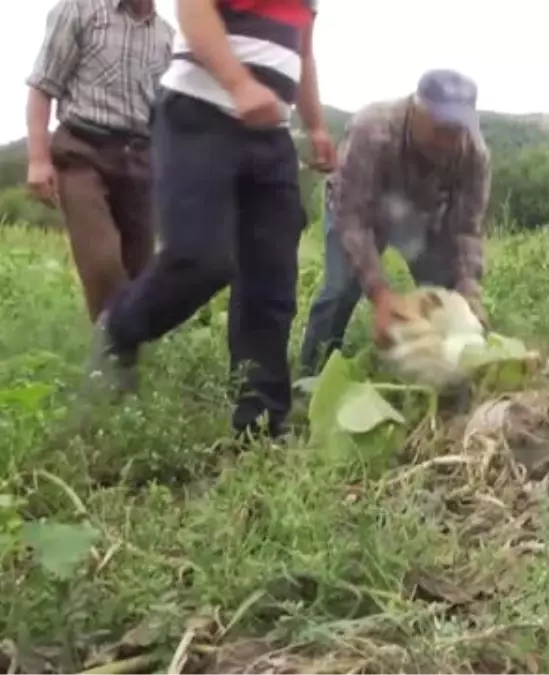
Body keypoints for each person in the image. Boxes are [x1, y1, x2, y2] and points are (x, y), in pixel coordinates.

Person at [88, 0, 335, 441]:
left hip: (271, 133)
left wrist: (315, 125)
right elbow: (193, 8)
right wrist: (238, 84)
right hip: (198, 115)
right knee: (200, 259)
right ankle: (119, 328)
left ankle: (260, 425)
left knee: (271, 281)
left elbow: (305, 52)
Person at [296, 69, 491, 379]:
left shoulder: (473, 153)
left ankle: (449, 381)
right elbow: (353, 218)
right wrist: (381, 295)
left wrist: (468, 290)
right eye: (440, 126)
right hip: (358, 208)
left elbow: (465, 229)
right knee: (340, 290)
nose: (448, 139)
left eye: (456, 128)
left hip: (421, 215)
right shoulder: (373, 130)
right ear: (416, 109)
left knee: (447, 296)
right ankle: (310, 377)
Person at [25, 0, 174, 322]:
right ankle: (108, 358)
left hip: (138, 158)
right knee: (103, 264)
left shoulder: (165, 36)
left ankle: (127, 359)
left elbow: (162, 111)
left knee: (142, 272)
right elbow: (42, 86)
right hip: (81, 152)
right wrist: (38, 160)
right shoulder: (79, 10)